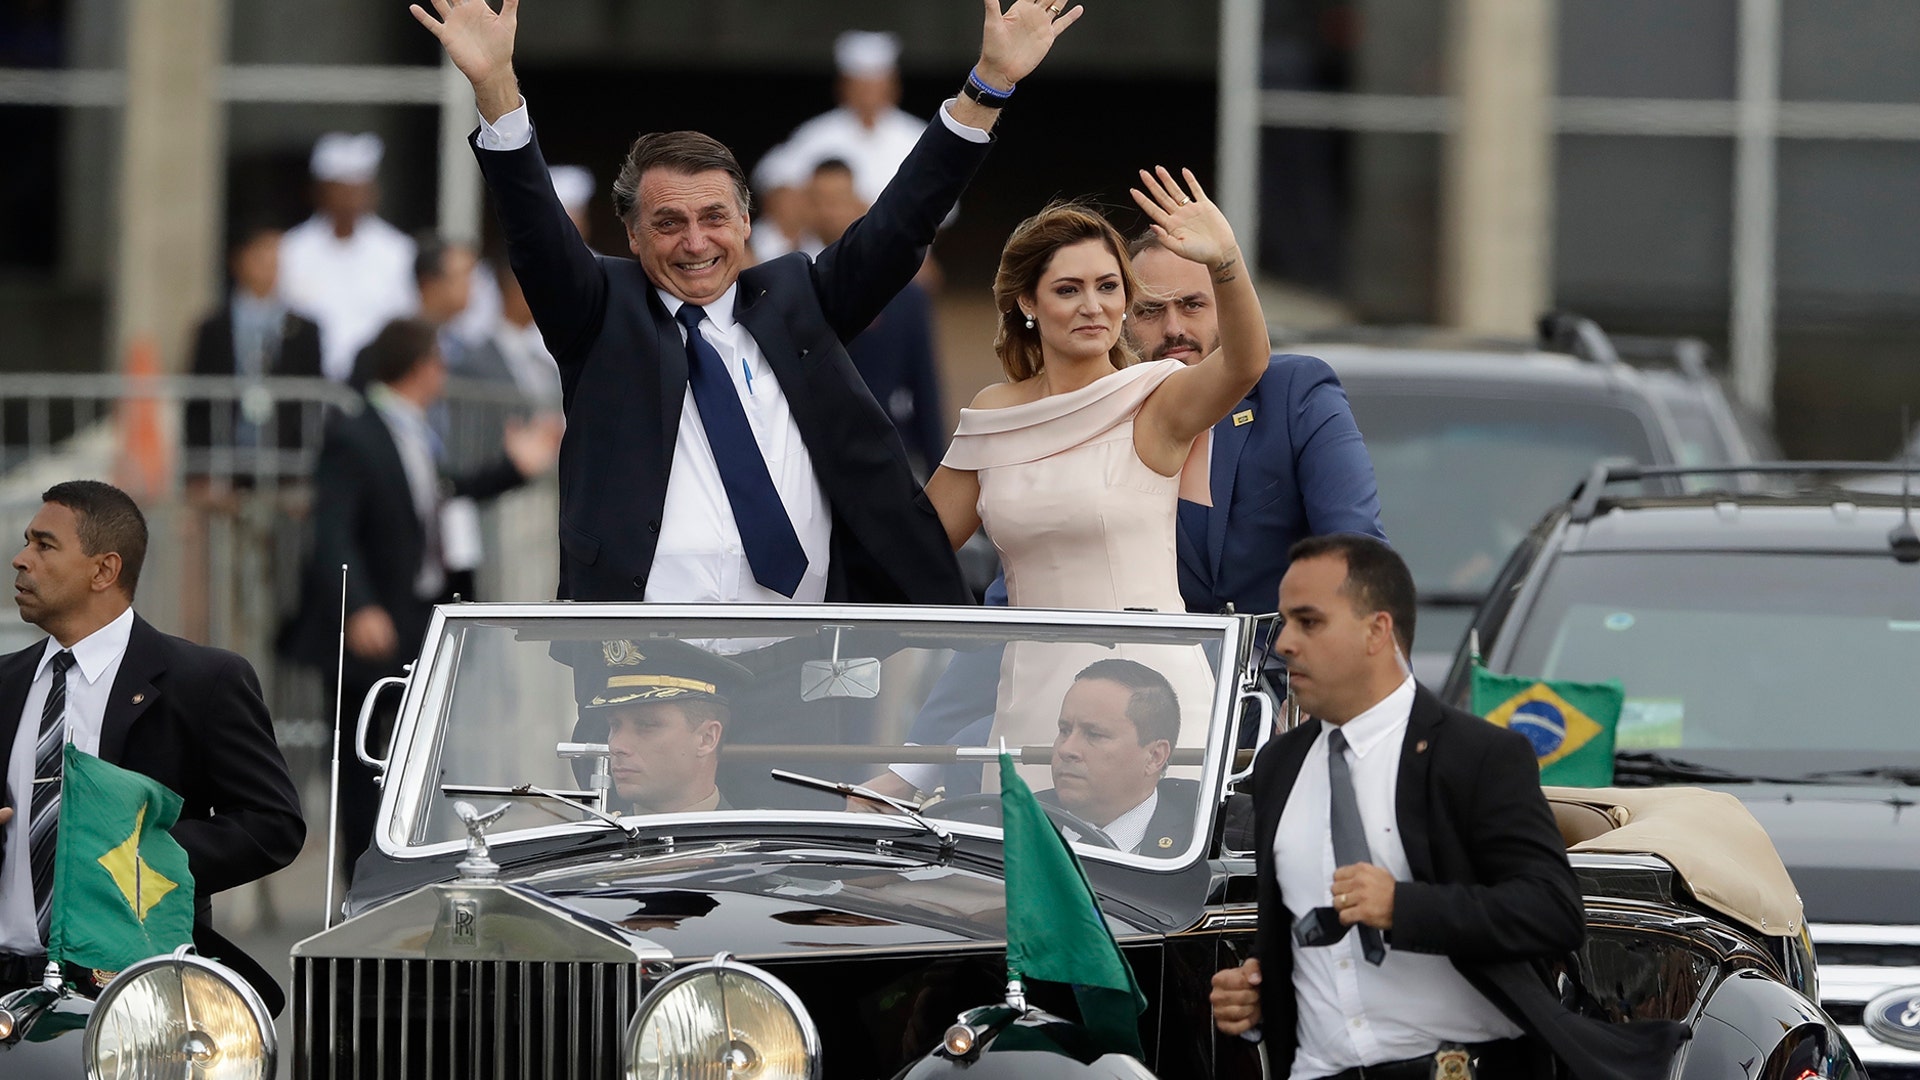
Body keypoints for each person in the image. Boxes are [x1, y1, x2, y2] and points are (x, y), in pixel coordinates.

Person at [412, 0, 1084, 605]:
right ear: (633, 236)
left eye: (714, 218)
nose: (695, 242)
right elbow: (535, 231)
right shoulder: (600, 314)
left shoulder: (799, 299)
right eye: (669, 223)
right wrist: (495, 88)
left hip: (810, 650)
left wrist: (989, 85)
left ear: (745, 223)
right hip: (647, 655)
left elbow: (903, 219)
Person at [1208, 534, 1687, 1080]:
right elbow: (1300, 939)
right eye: (1284, 622)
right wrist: (1257, 995)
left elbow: (1553, 912)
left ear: (1377, 631)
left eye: (1309, 622)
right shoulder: (1278, 765)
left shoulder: (1477, 756)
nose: (1284, 643)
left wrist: (1403, 907)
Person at [922, 175, 1267, 767]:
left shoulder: (1155, 398)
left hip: (1151, 703)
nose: (1093, 305)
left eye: (1108, 286)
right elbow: (916, 544)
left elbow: (1245, 363)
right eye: (1068, 289)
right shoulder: (993, 412)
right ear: (1028, 303)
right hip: (1034, 705)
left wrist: (1226, 261)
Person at [0, 482, 304, 1011]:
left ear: (104, 570)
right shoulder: (6, 682)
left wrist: (144, 859)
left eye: (44, 545)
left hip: (135, 988)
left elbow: (273, 823)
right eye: (27, 542)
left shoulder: (203, 681)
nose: (21, 559)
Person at [279, 318, 560, 872]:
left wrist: (513, 468)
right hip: (373, 622)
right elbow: (332, 532)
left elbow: (443, 494)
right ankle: (362, 877)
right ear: (419, 366)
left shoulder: (416, 430)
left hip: (417, 616)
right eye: (437, 361)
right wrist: (359, 606)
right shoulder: (356, 434)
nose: (443, 373)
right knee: (361, 756)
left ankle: (414, 864)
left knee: (421, 753)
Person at [1126, 231, 1385, 625]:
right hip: (1143, 662)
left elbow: (1355, 554)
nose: (1174, 327)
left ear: (1227, 308)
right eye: (1150, 311)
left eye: (1192, 305)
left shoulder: (1294, 394)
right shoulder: (1105, 417)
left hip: (1282, 659)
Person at [808, 158, 946, 472]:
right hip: (815, 457)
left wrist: (937, 468)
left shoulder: (905, 293)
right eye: (819, 201)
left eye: (837, 200)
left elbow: (925, 384)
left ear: (860, 203)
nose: (829, 212)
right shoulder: (785, 288)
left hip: (892, 453)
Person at [183, 225, 326, 476]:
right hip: (225, 458)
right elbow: (197, 398)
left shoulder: (304, 330)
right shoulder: (214, 328)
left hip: (285, 462)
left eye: (276, 260)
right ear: (239, 261)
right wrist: (200, 470)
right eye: (261, 258)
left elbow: (312, 401)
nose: (270, 268)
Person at [278, 132, 418, 382]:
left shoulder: (397, 251)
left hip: (376, 381)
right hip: (308, 385)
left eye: (358, 190)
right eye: (341, 190)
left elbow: (405, 319)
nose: (350, 200)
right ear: (320, 192)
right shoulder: (291, 249)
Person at [569, 639, 751, 814]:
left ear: (707, 738)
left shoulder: (758, 836)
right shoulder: (594, 837)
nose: (617, 746)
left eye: (646, 726)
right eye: (614, 725)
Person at [1040, 659, 1195, 857]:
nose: (1066, 749)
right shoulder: (1010, 824)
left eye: (1094, 735)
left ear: (1154, 757)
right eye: (1064, 730)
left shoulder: (1206, 836)